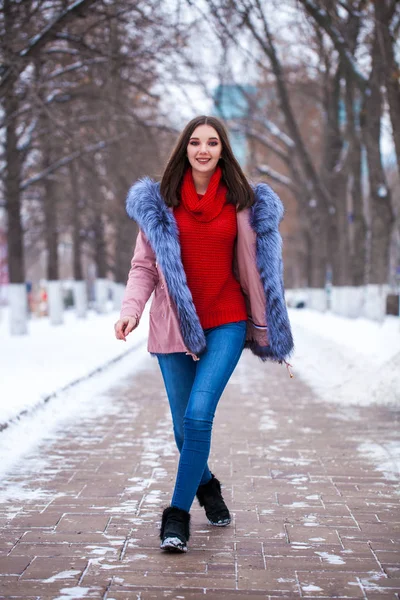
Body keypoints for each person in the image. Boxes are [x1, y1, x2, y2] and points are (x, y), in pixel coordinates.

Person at [114, 115, 294, 553]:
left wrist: (272, 324)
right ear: (184, 149)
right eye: (195, 142)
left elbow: (263, 270)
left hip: (227, 320)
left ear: (222, 150)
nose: (203, 150)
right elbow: (143, 267)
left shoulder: (243, 202)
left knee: (198, 417)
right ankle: (208, 486)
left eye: (212, 143)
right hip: (173, 324)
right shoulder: (159, 205)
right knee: (182, 430)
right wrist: (131, 309)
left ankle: (176, 517)